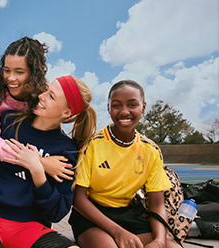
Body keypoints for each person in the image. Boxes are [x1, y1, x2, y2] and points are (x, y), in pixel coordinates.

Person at [0, 75, 97, 248]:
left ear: (66, 113)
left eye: (51, 96)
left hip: (28, 227)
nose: (41, 95)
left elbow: (57, 212)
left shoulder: (67, 150)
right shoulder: (10, 121)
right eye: (46, 90)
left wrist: (37, 172)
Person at [69, 80, 181, 248]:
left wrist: (158, 241)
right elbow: (78, 199)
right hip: (92, 214)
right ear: (108, 109)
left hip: (128, 213)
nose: (124, 112)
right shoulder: (93, 144)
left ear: (143, 107)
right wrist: (119, 233)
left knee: (171, 246)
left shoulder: (150, 150)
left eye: (132, 105)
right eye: (116, 105)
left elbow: (157, 204)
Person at [0, 36, 74, 187]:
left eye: (19, 72)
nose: (11, 78)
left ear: (33, 73)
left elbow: (50, 127)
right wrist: (41, 162)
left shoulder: (41, 95)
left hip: (23, 164)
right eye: (6, 70)